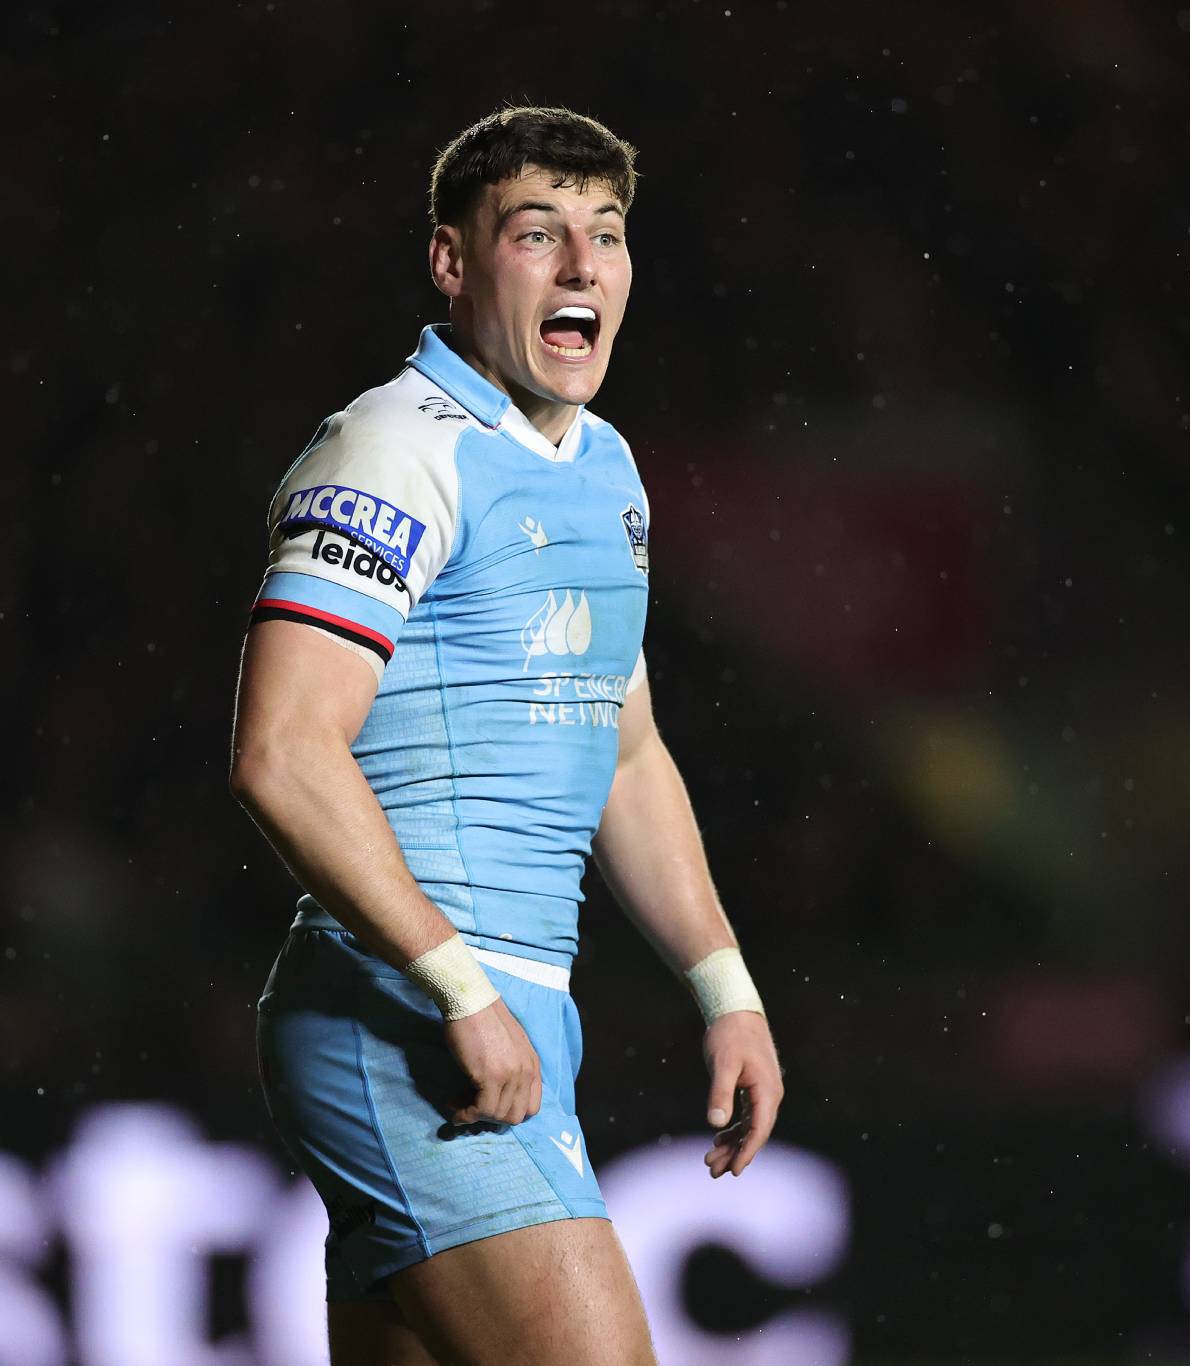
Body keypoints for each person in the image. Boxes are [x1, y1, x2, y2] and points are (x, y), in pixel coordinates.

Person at [228, 105, 784, 1366]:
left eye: (607, 234)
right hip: (411, 1021)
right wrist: (455, 983)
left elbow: (623, 745)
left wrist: (724, 987)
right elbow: (282, 752)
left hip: (506, 1016)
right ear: (452, 261)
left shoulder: (605, 468)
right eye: (539, 235)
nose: (584, 266)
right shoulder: (390, 448)